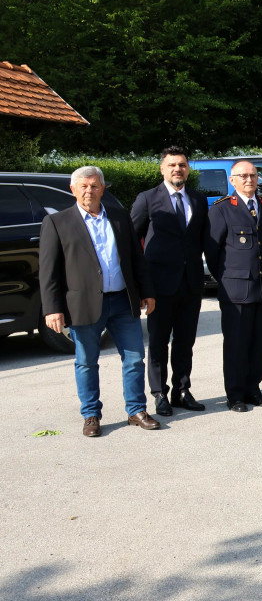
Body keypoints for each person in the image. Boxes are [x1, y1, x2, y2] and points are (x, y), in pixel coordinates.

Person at [40, 166, 159, 436]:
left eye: (94, 186)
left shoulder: (119, 217)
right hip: (82, 305)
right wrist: (52, 308)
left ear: (102, 189)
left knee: (134, 358)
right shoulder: (58, 223)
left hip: (121, 301)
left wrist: (147, 291)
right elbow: (49, 271)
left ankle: (136, 410)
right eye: (83, 186)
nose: (88, 191)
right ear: (73, 189)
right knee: (86, 361)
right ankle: (91, 415)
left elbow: (135, 259)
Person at [129, 146, 207, 416]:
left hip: (191, 283)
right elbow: (132, 244)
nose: (177, 169)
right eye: (172, 165)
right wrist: (140, 285)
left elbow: (203, 240)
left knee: (186, 342)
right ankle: (159, 393)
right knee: (159, 342)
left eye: (182, 165)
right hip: (159, 286)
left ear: (188, 169)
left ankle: (182, 390)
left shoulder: (198, 200)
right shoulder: (147, 199)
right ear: (162, 169)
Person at [205, 160, 262, 412]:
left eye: (253, 176)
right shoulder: (222, 209)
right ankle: (235, 394)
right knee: (236, 344)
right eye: (243, 176)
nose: (249, 180)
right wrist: (227, 281)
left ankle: (253, 389)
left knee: (260, 344)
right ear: (232, 180)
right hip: (235, 291)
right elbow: (213, 252)